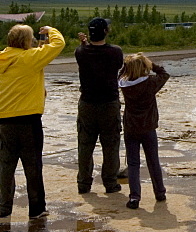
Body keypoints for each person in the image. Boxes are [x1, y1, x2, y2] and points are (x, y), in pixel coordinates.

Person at [0, 24, 65, 219]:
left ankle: (3, 208)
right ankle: (36, 209)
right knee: (33, 166)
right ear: (26, 41)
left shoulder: (3, 58)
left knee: (5, 166)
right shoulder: (29, 59)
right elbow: (58, 44)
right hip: (28, 120)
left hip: (3, 120)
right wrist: (50, 30)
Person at [75, 18, 124, 194]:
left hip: (87, 103)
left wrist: (84, 43)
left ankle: (84, 184)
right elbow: (118, 66)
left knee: (85, 145)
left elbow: (87, 51)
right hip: (109, 104)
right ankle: (110, 183)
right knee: (111, 145)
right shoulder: (115, 52)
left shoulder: (80, 52)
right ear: (105, 31)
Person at [119, 53, 169, 209]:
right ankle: (159, 193)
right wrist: (151, 64)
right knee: (153, 161)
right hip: (148, 127)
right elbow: (165, 74)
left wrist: (127, 65)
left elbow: (121, 73)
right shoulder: (150, 83)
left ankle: (134, 197)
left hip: (131, 127)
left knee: (133, 164)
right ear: (144, 67)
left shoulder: (123, 84)